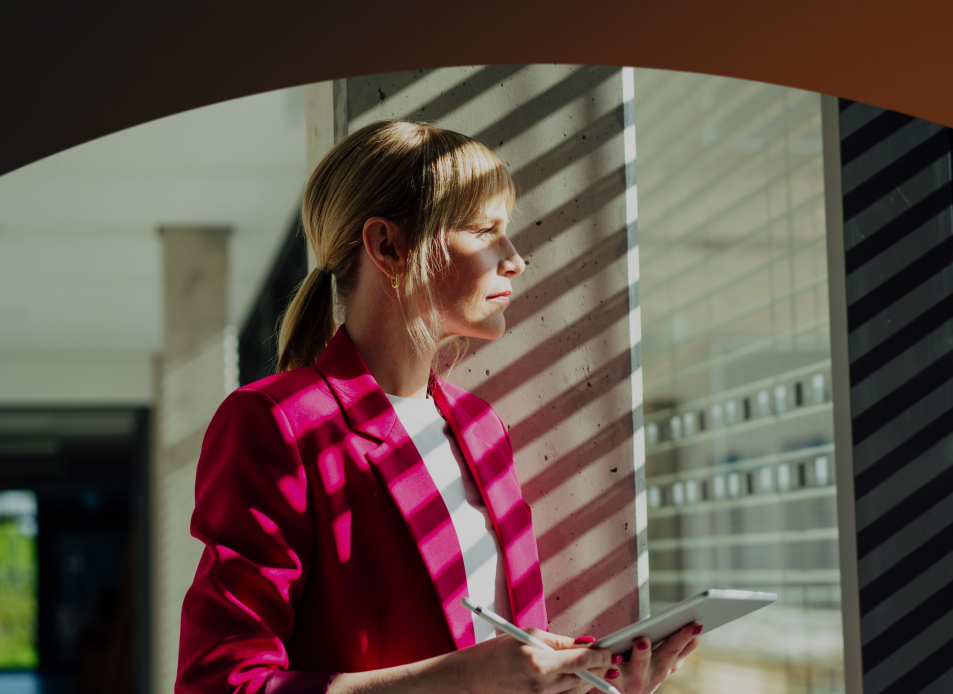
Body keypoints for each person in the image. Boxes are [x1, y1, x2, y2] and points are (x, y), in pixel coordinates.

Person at [176, 120, 699, 694]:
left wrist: (594, 684)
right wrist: (464, 680)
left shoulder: (481, 429)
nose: (515, 259)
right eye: (485, 230)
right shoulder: (279, 423)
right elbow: (219, 684)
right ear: (389, 247)